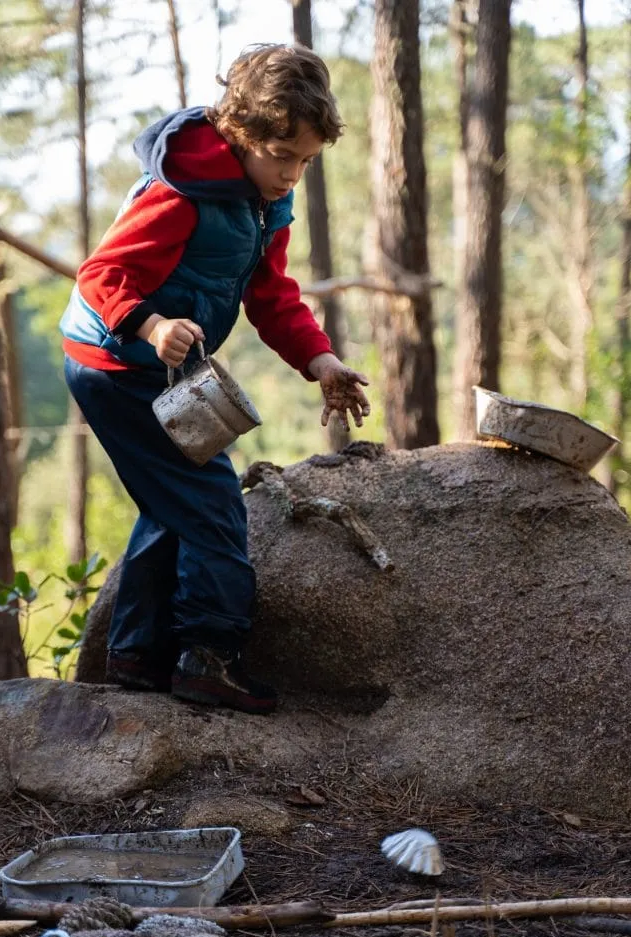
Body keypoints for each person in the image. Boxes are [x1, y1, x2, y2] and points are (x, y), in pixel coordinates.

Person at [61, 43, 370, 715]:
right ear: (241, 134)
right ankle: (209, 654)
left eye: (308, 161)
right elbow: (102, 275)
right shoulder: (184, 189)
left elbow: (272, 294)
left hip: (164, 374)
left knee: (175, 503)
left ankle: (137, 655)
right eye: (282, 156)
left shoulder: (263, 203)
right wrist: (148, 325)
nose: (292, 175)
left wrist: (320, 361)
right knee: (212, 502)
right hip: (115, 367)